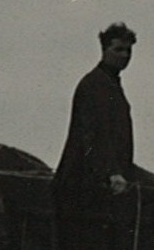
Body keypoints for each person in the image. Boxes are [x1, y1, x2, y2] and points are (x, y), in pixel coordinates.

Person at [57, 22, 140, 208]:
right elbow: (93, 135)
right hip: (85, 176)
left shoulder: (110, 83)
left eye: (128, 51)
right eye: (118, 49)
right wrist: (112, 173)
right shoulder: (94, 85)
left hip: (110, 172)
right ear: (104, 50)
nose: (125, 56)